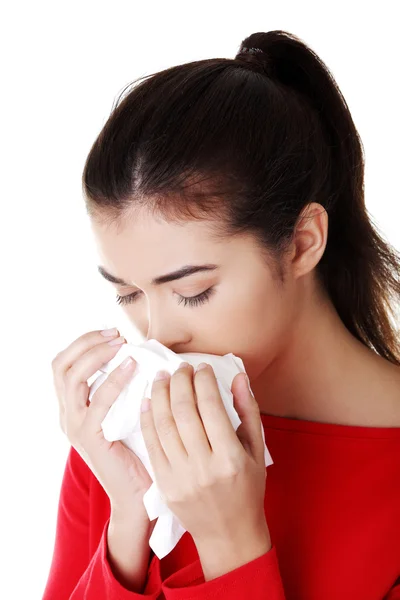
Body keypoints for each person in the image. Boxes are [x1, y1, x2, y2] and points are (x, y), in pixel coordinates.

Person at [42, 30, 400, 599]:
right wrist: (127, 525)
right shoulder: (117, 444)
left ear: (303, 242)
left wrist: (232, 545)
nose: (159, 335)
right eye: (128, 294)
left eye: (193, 291)